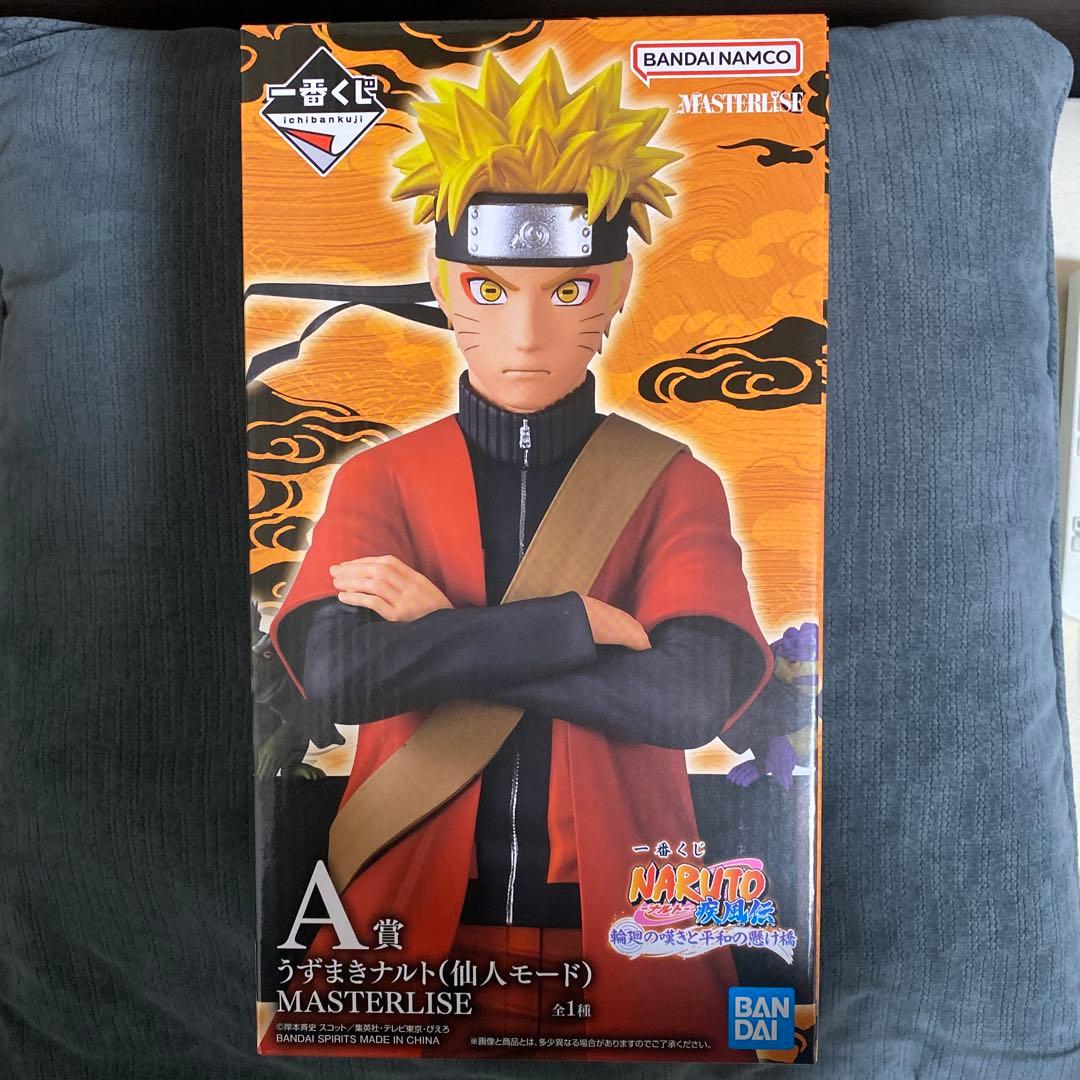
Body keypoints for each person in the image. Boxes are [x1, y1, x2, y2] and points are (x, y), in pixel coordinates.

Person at [259, 50, 791, 1062]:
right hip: (395, 926)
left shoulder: (672, 482)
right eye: (490, 288)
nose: (529, 333)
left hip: (636, 935)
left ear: (617, 287)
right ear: (442, 285)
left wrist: (445, 635)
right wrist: (573, 628)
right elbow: (338, 673)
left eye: (570, 287)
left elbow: (688, 698)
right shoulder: (380, 480)